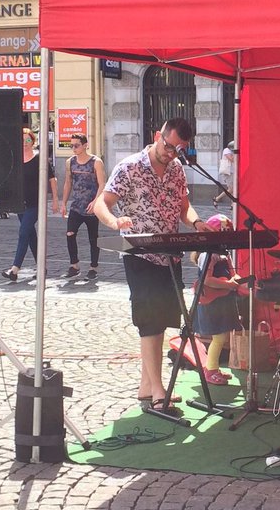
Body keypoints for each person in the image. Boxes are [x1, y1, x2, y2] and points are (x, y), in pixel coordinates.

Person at [92, 118, 213, 413]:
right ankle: (159, 391)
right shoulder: (130, 167)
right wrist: (114, 221)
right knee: (149, 320)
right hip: (139, 252)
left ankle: (146, 386)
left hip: (168, 254)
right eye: (168, 146)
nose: (170, 153)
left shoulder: (177, 171)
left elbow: (184, 209)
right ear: (158, 135)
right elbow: (100, 204)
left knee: (161, 319)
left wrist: (196, 222)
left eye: (178, 150)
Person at [192, 214, 247, 385]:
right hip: (212, 302)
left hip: (223, 300)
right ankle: (211, 369)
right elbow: (206, 280)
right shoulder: (209, 255)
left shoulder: (224, 254)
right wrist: (228, 285)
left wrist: (239, 281)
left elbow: (232, 274)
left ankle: (213, 367)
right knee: (218, 337)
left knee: (222, 336)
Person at [1, 129, 59, 281]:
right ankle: (41, 268)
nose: (25, 143)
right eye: (22, 140)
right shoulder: (15, 158)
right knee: (30, 235)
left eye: (28, 140)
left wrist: (54, 200)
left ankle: (14, 269)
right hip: (20, 203)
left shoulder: (39, 158)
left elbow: (52, 179)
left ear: (33, 142)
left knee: (23, 232)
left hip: (35, 203)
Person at [60, 134, 106, 279]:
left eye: (76, 145)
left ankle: (94, 267)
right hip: (76, 206)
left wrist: (96, 202)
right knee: (70, 234)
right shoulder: (70, 162)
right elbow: (68, 183)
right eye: (71, 145)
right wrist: (64, 203)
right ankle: (74, 265)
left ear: (85, 145)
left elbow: (102, 184)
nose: (73, 148)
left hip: (92, 206)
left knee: (93, 238)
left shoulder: (96, 162)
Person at [212, 141, 235, 207]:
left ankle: (233, 204)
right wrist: (235, 154)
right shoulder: (226, 150)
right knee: (231, 189)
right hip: (228, 172)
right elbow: (231, 159)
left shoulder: (231, 151)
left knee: (233, 189)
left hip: (232, 172)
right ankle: (217, 199)